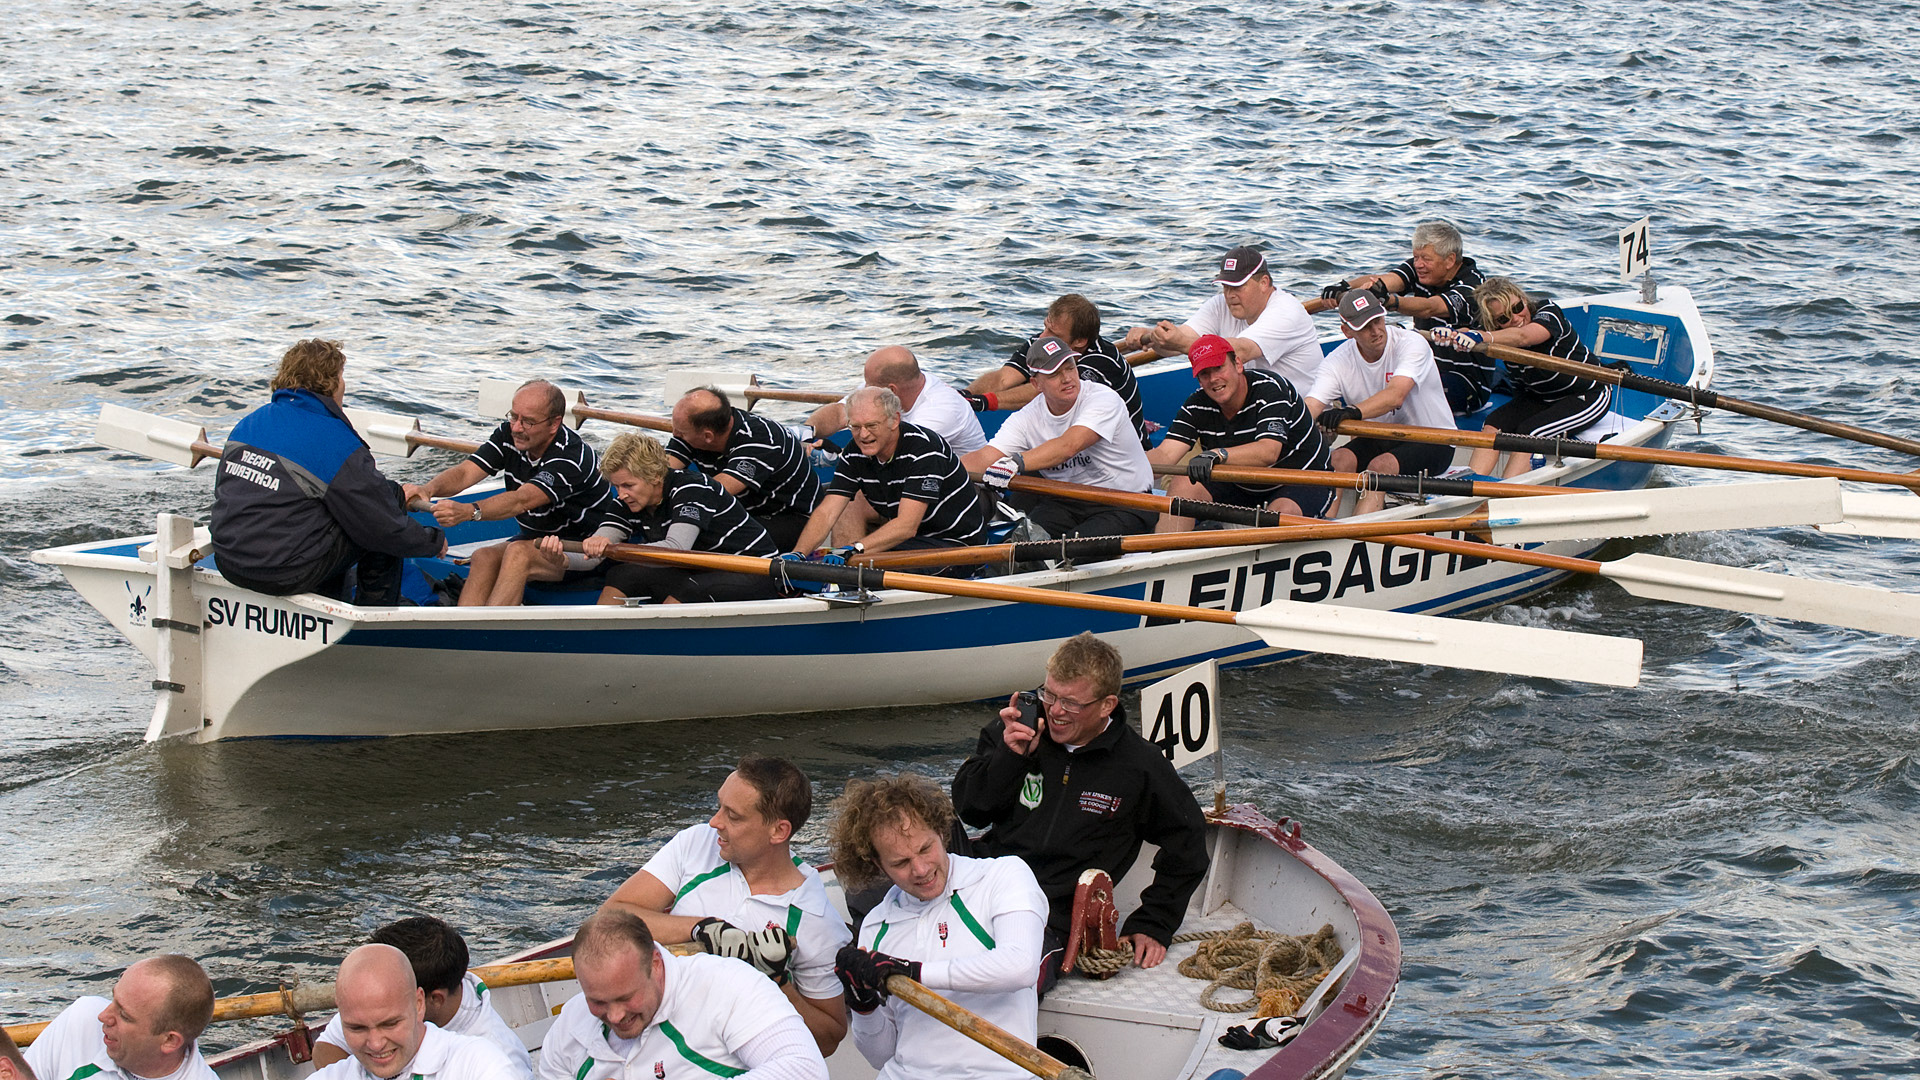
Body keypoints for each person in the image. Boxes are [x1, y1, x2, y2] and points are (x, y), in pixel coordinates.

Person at [951, 633, 1210, 988]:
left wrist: (1154, 921)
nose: (1056, 711)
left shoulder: (1140, 766)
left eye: (1071, 703)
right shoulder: (1016, 730)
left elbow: (1189, 840)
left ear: (1107, 705)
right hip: (981, 884)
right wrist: (1010, 757)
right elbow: (971, 811)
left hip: (1052, 915)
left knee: (1003, 982)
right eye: (1049, 695)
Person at [600, 756, 851, 1055]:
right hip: (650, 1026)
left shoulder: (817, 920)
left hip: (725, 1055)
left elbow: (828, 1039)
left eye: (733, 816)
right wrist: (702, 928)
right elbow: (611, 918)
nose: (714, 822)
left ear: (778, 832)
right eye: (719, 806)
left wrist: (777, 981)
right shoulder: (697, 844)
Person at [827, 773, 1048, 1080]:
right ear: (878, 865)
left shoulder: (1002, 876)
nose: (920, 870)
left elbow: (1020, 967)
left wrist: (912, 973)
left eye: (925, 849)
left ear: (941, 833)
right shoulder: (877, 924)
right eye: (901, 863)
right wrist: (863, 1006)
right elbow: (881, 1056)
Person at [211, 339, 445, 605]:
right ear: (330, 382)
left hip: (228, 560)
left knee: (330, 504)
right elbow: (381, 525)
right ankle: (375, 611)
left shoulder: (249, 423)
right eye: (341, 376)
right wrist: (432, 541)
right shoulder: (336, 442)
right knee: (387, 497)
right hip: (283, 574)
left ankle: (330, 596)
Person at [403, 380, 620, 606]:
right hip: (540, 539)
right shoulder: (508, 434)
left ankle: (492, 626)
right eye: (514, 417)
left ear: (554, 423)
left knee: (519, 554)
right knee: (483, 557)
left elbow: (521, 500)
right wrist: (427, 489)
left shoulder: (570, 457)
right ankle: (462, 624)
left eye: (528, 422)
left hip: (587, 548)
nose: (517, 427)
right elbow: (466, 472)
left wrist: (470, 511)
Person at [537, 911, 827, 1080]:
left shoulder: (728, 985)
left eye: (626, 998)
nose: (614, 1015)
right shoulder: (569, 1028)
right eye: (597, 1001)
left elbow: (805, 1069)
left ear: (655, 964)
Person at [542, 433, 782, 605]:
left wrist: (614, 551)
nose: (621, 494)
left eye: (628, 485)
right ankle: (597, 641)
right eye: (616, 486)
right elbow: (593, 556)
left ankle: (654, 647)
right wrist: (562, 559)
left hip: (755, 570)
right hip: (701, 568)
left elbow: (676, 548)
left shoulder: (692, 489)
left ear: (656, 476)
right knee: (622, 575)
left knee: (690, 589)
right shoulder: (627, 502)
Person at [960, 337, 1156, 539]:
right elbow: (984, 458)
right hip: (1067, 503)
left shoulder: (1103, 399)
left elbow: (1068, 446)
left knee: (1071, 549)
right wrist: (947, 471)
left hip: (1127, 502)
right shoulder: (1026, 418)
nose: (1067, 378)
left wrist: (1015, 463)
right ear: (1036, 384)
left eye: (1070, 368)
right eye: (1054, 374)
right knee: (1016, 546)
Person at [1144, 334, 1334, 530]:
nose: (1213, 379)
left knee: (1282, 511)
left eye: (1219, 368)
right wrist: (1128, 465)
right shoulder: (1196, 405)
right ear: (1198, 379)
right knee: (1183, 484)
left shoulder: (1271, 389)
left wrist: (1217, 454)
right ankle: (1167, 547)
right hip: (1241, 482)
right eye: (1205, 373)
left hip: (1301, 479)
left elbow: (1268, 452)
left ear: (1238, 364)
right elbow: (1165, 455)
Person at [309, 917, 532, 1079]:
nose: (375, 1044)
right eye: (357, 1028)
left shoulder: (487, 1062)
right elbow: (328, 1045)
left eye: (390, 1024)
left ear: (420, 1003)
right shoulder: (373, 1007)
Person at [1439, 277, 1614, 479]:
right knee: (1493, 424)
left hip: (1587, 393)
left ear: (1524, 299)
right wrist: (1450, 334)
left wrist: (1481, 337)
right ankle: (1471, 485)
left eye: (1517, 307)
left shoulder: (1548, 312)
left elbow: (1523, 336)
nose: (1515, 318)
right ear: (1495, 323)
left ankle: (1501, 492)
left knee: (1531, 434)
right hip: (1539, 396)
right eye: (1504, 318)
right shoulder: (1495, 331)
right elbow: (1470, 331)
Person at [1304, 289, 1458, 516]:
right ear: (1347, 331)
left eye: (1377, 320)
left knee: (1380, 466)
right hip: (1381, 437)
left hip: (1435, 439)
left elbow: (1395, 395)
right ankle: (1322, 526)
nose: (1376, 331)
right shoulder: (1336, 362)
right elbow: (1311, 406)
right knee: (1337, 460)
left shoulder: (1411, 343)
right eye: (1365, 326)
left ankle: (1356, 532)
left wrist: (1351, 412)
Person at [790, 387, 988, 561]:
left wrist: (855, 549)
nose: (863, 435)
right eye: (855, 427)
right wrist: (798, 553)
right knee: (838, 539)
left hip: (956, 546)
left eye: (871, 426)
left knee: (861, 564)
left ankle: (849, 577)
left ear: (894, 421)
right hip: (909, 542)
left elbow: (906, 526)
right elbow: (827, 512)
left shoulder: (924, 450)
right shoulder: (854, 452)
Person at [1319, 220, 1493, 415]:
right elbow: (1385, 280)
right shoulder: (1422, 268)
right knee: (1358, 381)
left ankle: (1356, 413)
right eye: (1416, 257)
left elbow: (1430, 308)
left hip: (1466, 382)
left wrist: (1391, 301)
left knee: (1394, 391)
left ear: (1450, 260)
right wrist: (1346, 287)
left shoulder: (1474, 285)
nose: (1418, 264)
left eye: (1425, 259)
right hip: (1419, 363)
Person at [1118, 245, 1322, 392]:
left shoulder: (1286, 311)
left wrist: (1178, 342)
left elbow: (1239, 352)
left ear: (1264, 283)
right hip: (1257, 405)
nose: (1230, 295)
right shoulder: (1220, 305)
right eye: (1226, 286)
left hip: (1304, 413)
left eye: (1238, 286)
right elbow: (1178, 341)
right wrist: (1152, 336)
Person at [964, 295, 1147, 443]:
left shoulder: (1103, 361)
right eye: (1046, 327)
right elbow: (1003, 378)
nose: (1043, 337)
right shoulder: (1044, 342)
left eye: (1053, 333)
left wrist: (985, 402)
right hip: (1071, 444)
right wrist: (965, 396)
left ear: (1080, 341)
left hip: (1115, 450)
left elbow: (1049, 392)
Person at [665, 388, 822, 552]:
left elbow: (714, 491)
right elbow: (661, 472)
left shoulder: (761, 439)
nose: (675, 434)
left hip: (794, 517)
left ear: (708, 436)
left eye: (680, 432)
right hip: (744, 510)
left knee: (703, 538)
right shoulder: (696, 428)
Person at [24, 955, 218, 1080]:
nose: (103, 1016)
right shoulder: (82, 1019)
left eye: (124, 1015)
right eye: (114, 999)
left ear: (170, 1040)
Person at [806, 346, 987, 457]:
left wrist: (838, 456)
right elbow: (839, 413)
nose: (865, 388)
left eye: (869, 385)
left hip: (967, 490)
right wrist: (807, 432)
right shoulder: (888, 385)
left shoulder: (940, 410)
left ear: (891, 390)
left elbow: (893, 453)